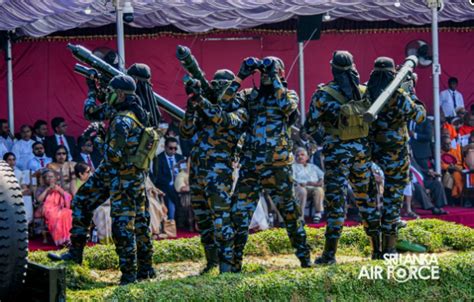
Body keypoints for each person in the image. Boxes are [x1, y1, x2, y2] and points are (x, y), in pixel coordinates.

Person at [48, 75, 155, 285]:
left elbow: (113, 154)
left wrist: (97, 136)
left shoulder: (124, 119)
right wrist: (92, 90)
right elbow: (91, 111)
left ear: (122, 94)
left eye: (111, 91)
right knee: (81, 201)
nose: (108, 95)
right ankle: (75, 253)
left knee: (124, 226)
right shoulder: (121, 109)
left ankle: (131, 275)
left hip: (125, 177)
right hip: (113, 172)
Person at [231, 56, 311, 271]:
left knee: (291, 214)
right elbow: (225, 103)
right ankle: (232, 264)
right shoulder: (250, 96)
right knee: (238, 215)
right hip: (251, 166)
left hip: (278, 167)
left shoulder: (287, 95)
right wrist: (240, 76)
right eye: (264, 73)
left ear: (281, 74)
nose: (266, 76)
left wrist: (274, 76)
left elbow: (288, 107)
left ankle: (305, 258)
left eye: (272, 72)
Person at [303, 50, 380, 263]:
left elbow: (309, 127)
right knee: (367, 199)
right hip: (362, 154)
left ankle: (329, 254)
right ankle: (378, 250)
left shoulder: (323, 94)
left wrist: (325, 131)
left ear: (332, 68)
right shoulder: (366, 92)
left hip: (337, 155)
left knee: (335, 202)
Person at [179, 69, 248, 273]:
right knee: (203, 218)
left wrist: (201, 101)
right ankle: (212, 261)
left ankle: (227, 265)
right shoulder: (204, 106)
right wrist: (192, 105)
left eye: (222, 85)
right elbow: (186, 131)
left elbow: (223, 120)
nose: (217, 88)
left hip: (218, 172)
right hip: (198, 170)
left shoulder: (240, 109)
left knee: (221, 219)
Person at [367, 57, 426, 256]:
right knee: (392, 200)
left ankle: (375, 249)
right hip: (396, 156)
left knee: (369, 202)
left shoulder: (365, 91)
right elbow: (419, 115)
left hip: (371, 153)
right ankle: (390, 249)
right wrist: (411, 91)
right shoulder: (399, 96)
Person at [35, 169, 73, 246]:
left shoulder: (59, 187)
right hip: (46, 208)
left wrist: (59, 190)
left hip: (60, 207)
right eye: (47, 177)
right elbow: (39, 200)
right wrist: (47, 190)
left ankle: (67, 239)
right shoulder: (41, 188)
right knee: (56, 215)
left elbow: (68, 197)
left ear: (55, 178)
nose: (50, 178)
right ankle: (60, 241)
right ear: (44, 179)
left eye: (51, 177)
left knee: (68, 213)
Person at [152, 137, 183, 222]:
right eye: (170, 148)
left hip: (180, 185)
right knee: (170, 191)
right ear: (165, 147)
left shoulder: (180, 157)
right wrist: (171, 184)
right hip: (165, 186)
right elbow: (157, 177)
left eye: (175, 148)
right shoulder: (158, 159)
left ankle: (182, 221)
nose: (173, 150)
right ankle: (171, 220)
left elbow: (185, 172)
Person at [292, 147, 325, 223]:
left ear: (307, 157)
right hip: (300, 187)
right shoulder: (293, 167)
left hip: (314, 187)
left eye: (302, 155)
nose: (300, 157)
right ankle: (300, 216)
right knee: (302, 191)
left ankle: (318, 213)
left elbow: (322, 175)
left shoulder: (313, 166)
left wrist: (320, 181)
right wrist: (307, 183)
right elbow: (293, 179)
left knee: (319, 190)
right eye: (297, 155)